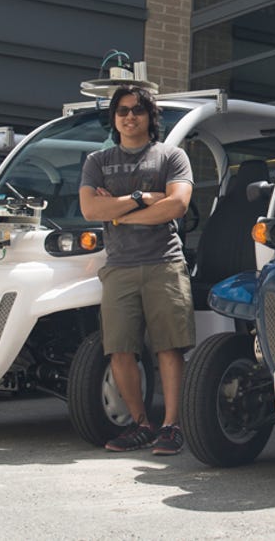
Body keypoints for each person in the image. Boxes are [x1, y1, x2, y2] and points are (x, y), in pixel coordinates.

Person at [79, 82, 195, 456]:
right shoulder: (97, 161)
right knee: (119, 349)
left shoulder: (172, 156)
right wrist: (141, 198)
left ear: (150, 116)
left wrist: (118, 213)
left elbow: (177, 206)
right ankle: (141, 425)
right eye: (123, 110)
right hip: (119, 267)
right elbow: (90, 210)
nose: (130, 116)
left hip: (165, 263)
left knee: (169, 347)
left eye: (138, 110)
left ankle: (172, 427)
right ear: (114, 118)